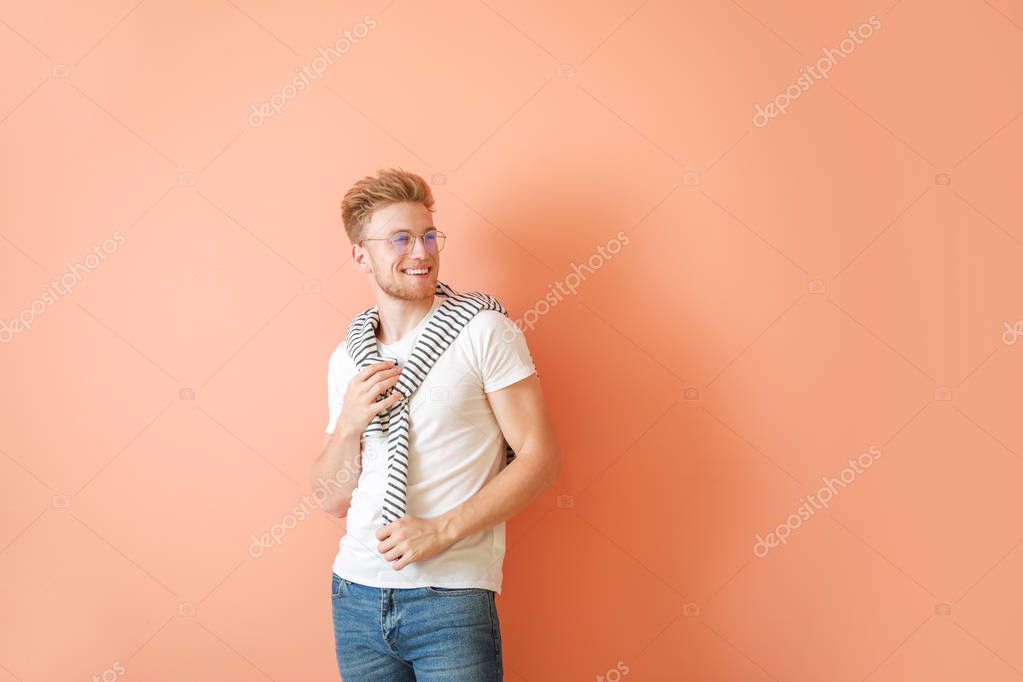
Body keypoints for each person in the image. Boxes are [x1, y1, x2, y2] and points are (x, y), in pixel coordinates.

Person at [310, 168, 561, 681]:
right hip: (354, 594)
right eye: (400, 239)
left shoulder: (483, 331)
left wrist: (442, 531)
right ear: (361, 254)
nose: (421, 252)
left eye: (428, 235)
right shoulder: (348, 359)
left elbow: (540, 459)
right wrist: (349, 425)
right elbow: (331, 499)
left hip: (450, 597)